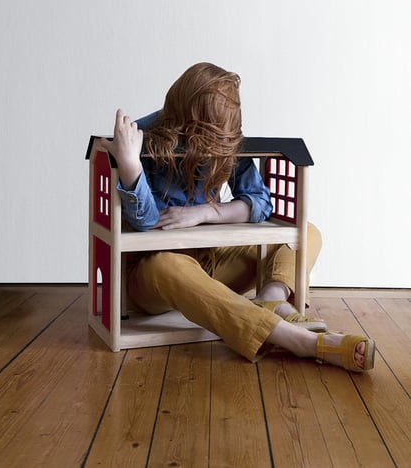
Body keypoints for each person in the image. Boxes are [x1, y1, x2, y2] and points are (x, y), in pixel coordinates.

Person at [101, 62, 375, 371]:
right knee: (166, 265)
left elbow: (259, 203)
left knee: (306, 232)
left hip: (212, 263)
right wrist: (130, 166)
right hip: (155, 278)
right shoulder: (144, 137)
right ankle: (299, 341)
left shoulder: (226, 137)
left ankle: (271, 298)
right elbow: (146, 222)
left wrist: (203, 212)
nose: (214, 148)